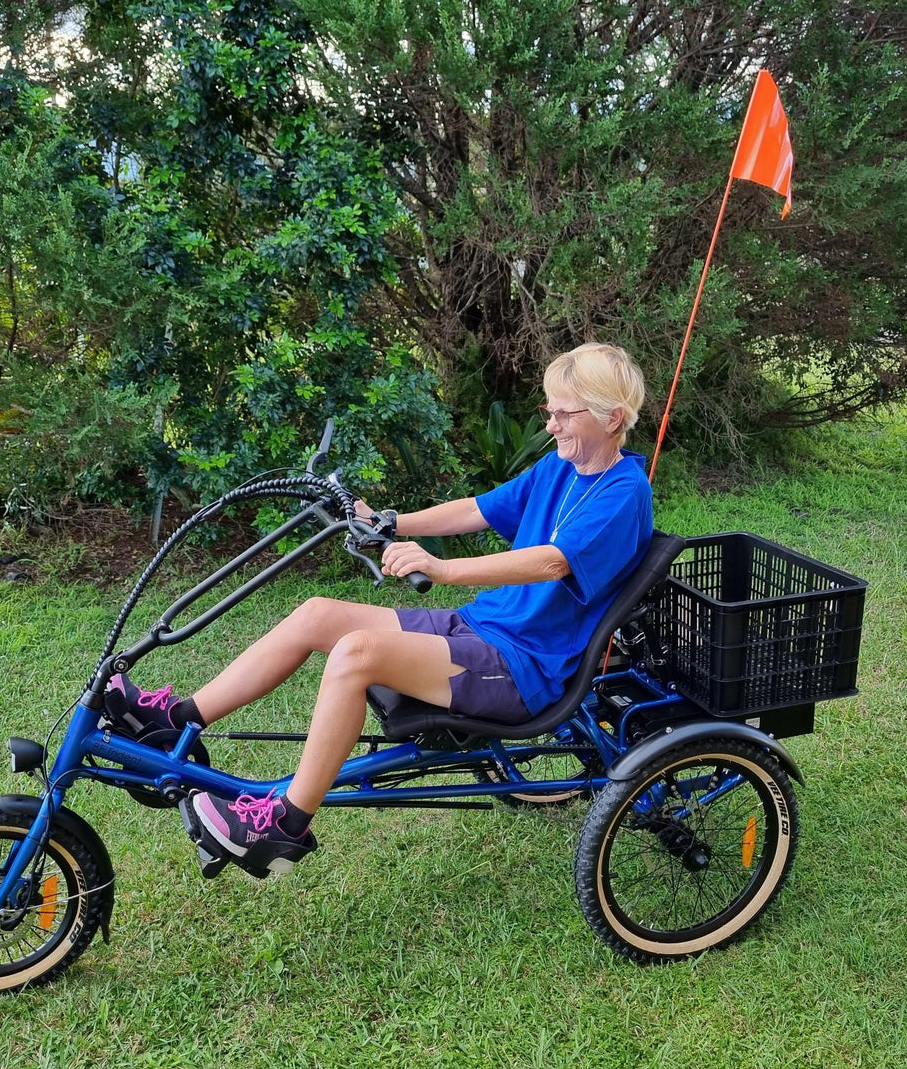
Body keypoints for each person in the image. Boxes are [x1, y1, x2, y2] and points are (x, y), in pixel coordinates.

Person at [106, 342, 655, 875]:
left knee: (357, 652)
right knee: (318, 613)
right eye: (549, 410)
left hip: (522, 667)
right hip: (482, 626)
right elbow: (479, 509)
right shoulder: (560, 467)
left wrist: (442, 570)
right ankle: (173, 720)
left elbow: (551, 563)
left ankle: (285, 821)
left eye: (565, 413)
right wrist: (392, 521)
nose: (552, 424)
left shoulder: (622, 492)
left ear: (612, 418)